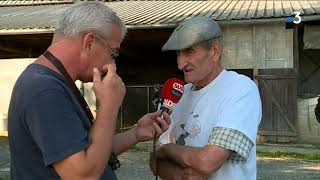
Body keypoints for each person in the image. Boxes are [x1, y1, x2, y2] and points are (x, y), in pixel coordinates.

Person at [7, 2, 170, 180]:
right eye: (113, 53)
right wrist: (110, 104)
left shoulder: (55, 83)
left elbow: (90, 150)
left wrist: (135, 133)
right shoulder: (44, 89)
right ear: (90, 42)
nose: (113, 65)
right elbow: (82, 175)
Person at [149, 16, 262, 180]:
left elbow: (208, 161)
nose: (180, 64)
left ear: (215, 51)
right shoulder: (178, 94)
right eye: (178, 53)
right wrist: (180, 176)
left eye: (189, 51)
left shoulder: (241, 89)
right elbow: (154, 161)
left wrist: (168, 150)